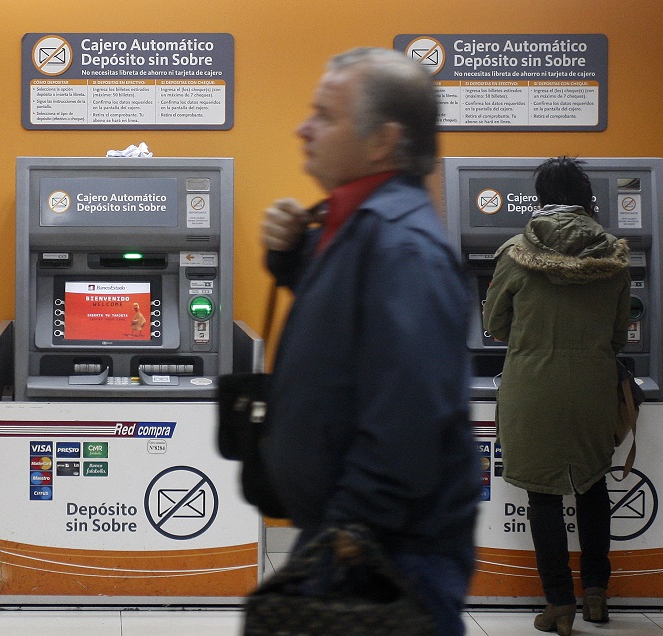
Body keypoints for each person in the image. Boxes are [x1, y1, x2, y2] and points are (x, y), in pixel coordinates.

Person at [259, 47, 481, 635]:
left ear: (383, 141)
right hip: (352, 534)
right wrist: (291, 258)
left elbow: (412, 413)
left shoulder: (403, 247)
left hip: (387, 551)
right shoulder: (359, 225)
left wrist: (348, 532)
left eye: (324, 115)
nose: (303, 128)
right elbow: (348, 333)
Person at [483, 156, 629, 635]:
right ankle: (597, 594)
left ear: (541, 199)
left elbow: (494, 324)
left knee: (542, 495)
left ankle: (559, 605)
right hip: (592, 388)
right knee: (592, 485)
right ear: (588, 200)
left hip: (533, 387)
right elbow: (619, 336)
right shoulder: (615, 256)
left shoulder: (515, 252)